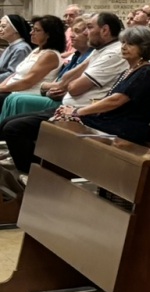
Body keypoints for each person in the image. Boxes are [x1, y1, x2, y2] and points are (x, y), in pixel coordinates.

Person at [1, 12, 130, 173]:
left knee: (14, 128)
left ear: (105, 30)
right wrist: (70, 80)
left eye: (89, 27)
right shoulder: (99, 50)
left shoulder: (112, 53)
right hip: (68, 107)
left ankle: (35, 174)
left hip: (83, 113)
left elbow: (74, 88)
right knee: (8, 123)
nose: (86, 32)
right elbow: (65, 79)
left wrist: (67, 84)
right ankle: (35, 168)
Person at [50, 26, 150, 148]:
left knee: (64, 121)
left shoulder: (146, 72)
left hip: (125, 127)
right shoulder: (129, 70)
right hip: (111, 121)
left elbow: (116, 100)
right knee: (58, 117)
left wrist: (77, 112)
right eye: (123, 42)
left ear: (144, 47)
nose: (124, 47)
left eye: (130, 44)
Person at [0, 16, 64, 105]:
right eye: (32, 29)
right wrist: (1, 86)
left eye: (36, 30)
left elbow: (27, 82)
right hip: (14, 90)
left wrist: (2, 89)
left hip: (28, 94)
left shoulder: (50, 55)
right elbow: (15, 74)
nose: (31, 33)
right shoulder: (36, 50)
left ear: (49, 34)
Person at [0, 15, 31, 81]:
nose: (0, 29)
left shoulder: (21, 49)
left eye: (3, 26)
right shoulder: (11, 46)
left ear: (15, 29)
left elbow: (13, 74)